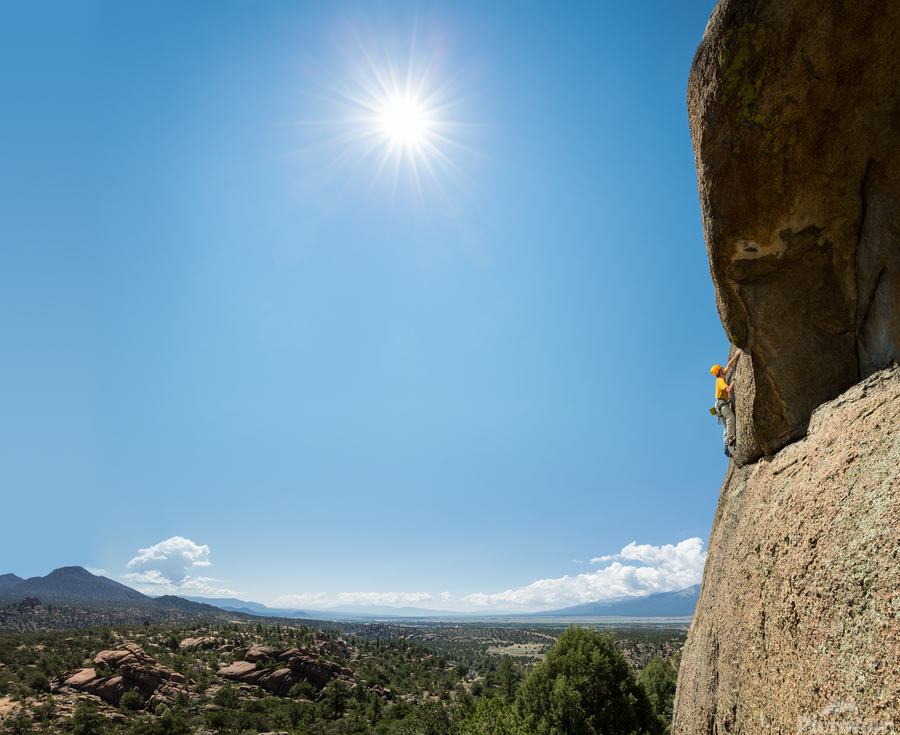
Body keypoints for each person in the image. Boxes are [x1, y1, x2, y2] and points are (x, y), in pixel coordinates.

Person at [710, 349, 742, 457]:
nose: (724, 368)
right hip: (721, 404)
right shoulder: (720, 380)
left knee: (725, 426)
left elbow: (728, 365)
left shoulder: (721, 376)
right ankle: (731, 438)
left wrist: (736, 355)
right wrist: (734, 379)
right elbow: (728, 389)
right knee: (730, 417)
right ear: (719, 372)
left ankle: (726, 447)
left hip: (718, 407)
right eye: (721, 369)